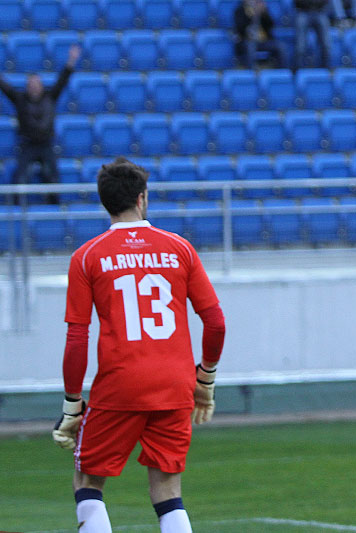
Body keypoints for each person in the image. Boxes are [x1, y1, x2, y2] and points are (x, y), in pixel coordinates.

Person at [52, 158, 226, 532]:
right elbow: (215, 322)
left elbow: (77, 337)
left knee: (88, 482)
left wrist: (72, 405)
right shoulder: (179, 248)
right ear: (142, 199)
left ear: (105, 203)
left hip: (120, 384)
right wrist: (205, 381)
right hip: (176, 384)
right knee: (167, 489)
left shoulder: (87, 256)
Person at [0, 44, 81, 205]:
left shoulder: (50, 97)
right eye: (31, 84)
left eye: (37, 84)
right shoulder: (20, 99)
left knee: (52, 177)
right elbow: (4, 87)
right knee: (20, 177)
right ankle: (17, 208)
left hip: (46, 144)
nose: (34, 87)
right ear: (27, 87)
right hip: (27, 145)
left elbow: (62, 80)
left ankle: (54, 208)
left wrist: (71, 61)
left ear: (41, 86)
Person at [233, 0, 285, 67]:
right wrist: (252, 16)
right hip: (247, 41)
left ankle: (282, 72)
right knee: (250, 47)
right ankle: (252, 73)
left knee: (280, 46)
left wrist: (264, 14)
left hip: (263, 41)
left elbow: (271, 25)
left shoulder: (263, 11)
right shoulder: (239, 11)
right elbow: (240, 28)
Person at [294, 0, 332, 68]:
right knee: (300, 45)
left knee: (326, 44)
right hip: (303, 11)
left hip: (319, 11)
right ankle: (299, 69)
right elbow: (296, 2)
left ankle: (326, 69)